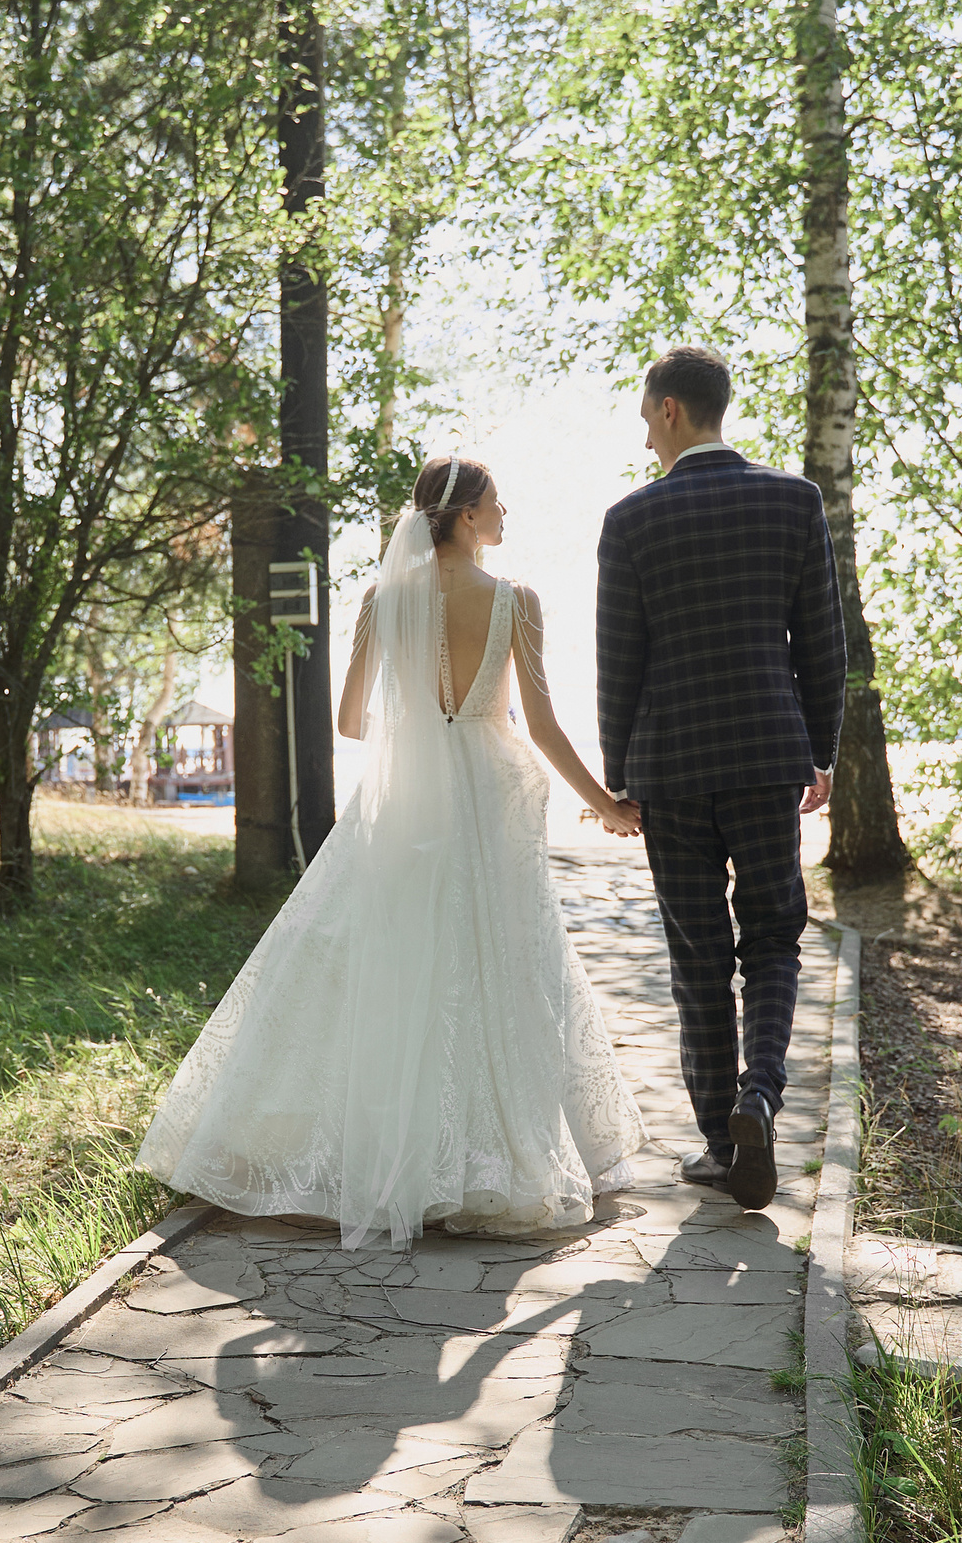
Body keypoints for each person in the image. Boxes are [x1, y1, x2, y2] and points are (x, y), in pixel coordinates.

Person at [139, 455, 648, 1249]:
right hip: (489, 793)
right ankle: (488, 1158)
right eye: (496, 500)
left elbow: (349, 720)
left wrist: (417, 738)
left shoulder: (381, 599)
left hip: (409, 801)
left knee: (400, 963)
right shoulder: (518, 603)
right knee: (498, 962)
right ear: (469, 516)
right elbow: (541, 728)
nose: (506, 509)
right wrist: (607, 804)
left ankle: (390, 1157)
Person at [595, 345, 846, 1213]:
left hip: (669, 768)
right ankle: (760, 1096)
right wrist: (823, 752)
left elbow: (617, 665)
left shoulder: (631, 520)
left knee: (698, 954)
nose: (645, 434)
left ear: (669, 410)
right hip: (767, 758)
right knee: (774, 935)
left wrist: (617, 779)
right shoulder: (793, 500)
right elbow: (823, 643)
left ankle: (717, 1142)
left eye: (644, 416)